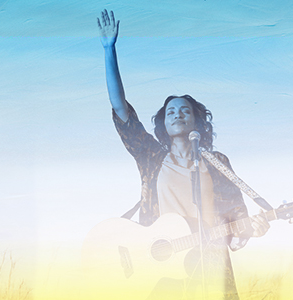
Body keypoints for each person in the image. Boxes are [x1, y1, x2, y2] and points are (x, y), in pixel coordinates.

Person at [97, 9, 270, 300]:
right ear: (163, 123)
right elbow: (120, 109)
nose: (177, 114)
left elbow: (236, 217)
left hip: (210, 263)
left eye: (185, 110)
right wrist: (108, 50)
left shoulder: (217, 162)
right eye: (171, 111)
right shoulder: (151, 157)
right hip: (160, 266)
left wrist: (253, 228)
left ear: (197, 121)